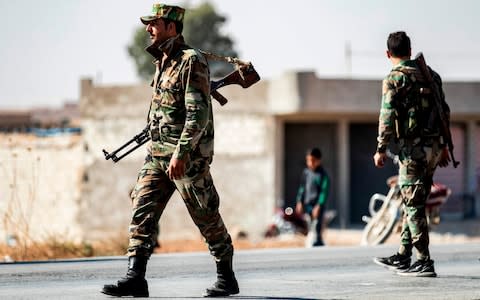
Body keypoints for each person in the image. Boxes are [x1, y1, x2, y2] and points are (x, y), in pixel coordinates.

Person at [102, 3, 239, 297]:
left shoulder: (191, 61)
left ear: (172, 27)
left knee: (206, 216)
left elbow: (198, 114)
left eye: (155, 23)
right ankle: (135, 276)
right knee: (142, 207)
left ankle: (226, 276)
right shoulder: (162, 61)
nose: (148, 28)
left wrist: (182, 153)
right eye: (148, 24)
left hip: (186, 158)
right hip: (157, 154)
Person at [372, 31, 451, 277]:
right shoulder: (431, 76)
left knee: (414, 204)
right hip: (434, 149)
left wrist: (380, 149)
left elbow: (387, 116)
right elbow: (444, 111)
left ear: (388, 54)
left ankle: (424, 260)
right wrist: (445, 146)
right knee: (412, 201)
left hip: (414, 151)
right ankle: (404, 255)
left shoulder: (394, 78)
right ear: (409, 49)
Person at [295, 147, 330, 246]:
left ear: (319, 160)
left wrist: (319, 205)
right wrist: (299, 201)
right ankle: (312, 239)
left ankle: (318, 241)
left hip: (318, 204)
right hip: (308, 203)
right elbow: (302, 188)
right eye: (308, 160)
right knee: (309, 223)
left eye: (313, 161)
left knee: (317, 223)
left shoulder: (323, 175)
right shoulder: (306, 173)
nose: (310, 163)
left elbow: (324, 191)